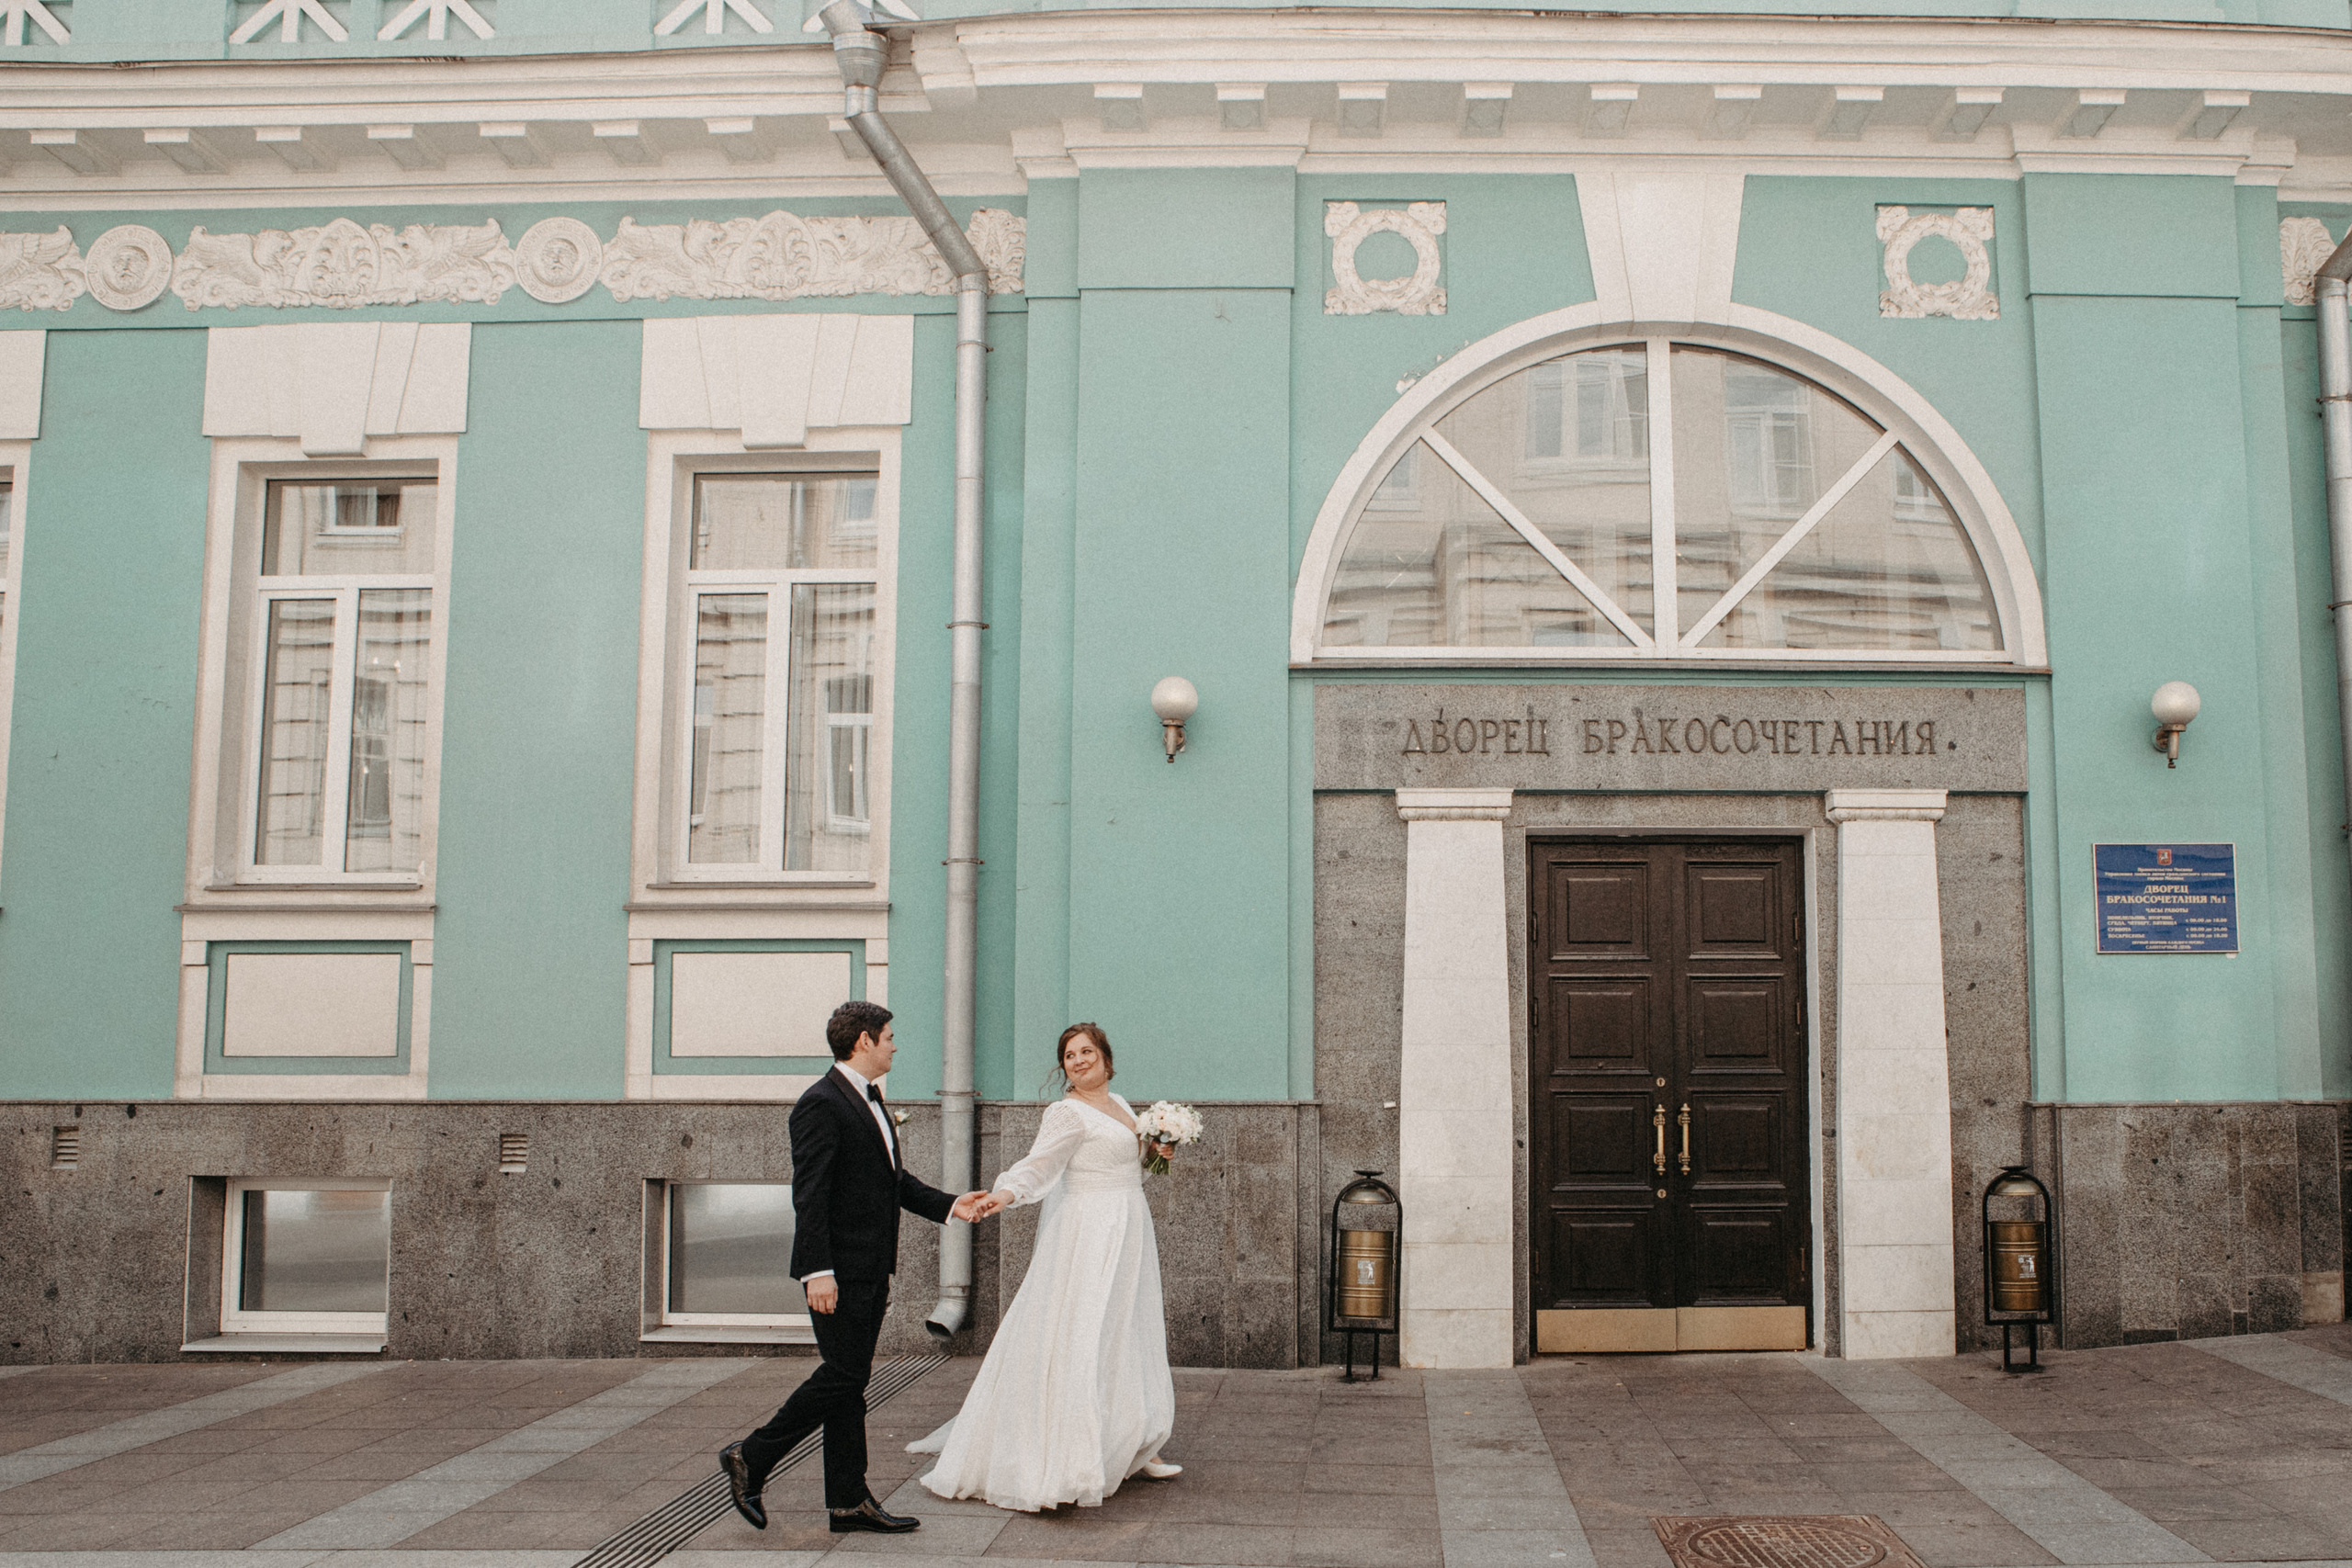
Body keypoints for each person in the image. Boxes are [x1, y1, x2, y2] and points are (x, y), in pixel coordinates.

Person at [719, 1000, 989, 1537]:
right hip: (837, 1271)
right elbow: (810, 1194)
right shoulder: (820, 1103)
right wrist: (817, 1270)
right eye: (889, 1035)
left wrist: (953, 1205)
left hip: (868, 1268)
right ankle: (751, 1454)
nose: (894, 1044)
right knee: (843, 1375)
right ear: (863, 1040)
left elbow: (893, 1181)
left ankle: (848, 1501)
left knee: (850, 1383)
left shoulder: (868, 1100)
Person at [907, 1021, 1181, 1511]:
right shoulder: (1065, 1112)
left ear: (1106, 1057)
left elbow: (1127, 1165)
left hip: (1128, 1227)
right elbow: (1039, 1166)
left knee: (1126, 1330)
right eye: (1069, 1055)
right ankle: (1074, 1453)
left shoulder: (1119, 1105)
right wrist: (1004, 1194)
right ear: (1064, 1067)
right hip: (1089, 1233)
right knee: (1084, 1332)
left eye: (1086, 1051)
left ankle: (1133, 1443)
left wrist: (1158, 1150)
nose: (1078, 1060)